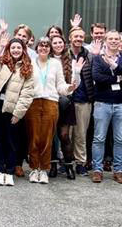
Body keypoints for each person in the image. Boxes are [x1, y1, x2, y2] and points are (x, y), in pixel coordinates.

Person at [25, 37, 82, 184]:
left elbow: (60, 86)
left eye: (46, 46)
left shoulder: (55, 64)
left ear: (50, 49)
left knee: (47, 138)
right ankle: (34, 168)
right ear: (37, 48)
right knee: (34, 137)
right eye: (41, 46)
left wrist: (69, 88)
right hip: (34, 102)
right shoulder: (29, 62)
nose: (43, 48)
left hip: (51, 103)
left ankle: (43, 169)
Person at [0, 31, 35, 186]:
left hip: (13, 109)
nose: (15, 50)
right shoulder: (3, 63)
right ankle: (0, 171)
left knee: (11, 141)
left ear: (23, 50)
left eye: (18, 48)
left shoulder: (27, 68)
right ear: (8, 49)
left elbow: (27, 94)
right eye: (12, 47)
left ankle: (10, 171)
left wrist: (18, 114)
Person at [90, 30, 122, 184]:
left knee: (121, 139)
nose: (114, 41)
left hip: (120, 104)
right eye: (111, 39)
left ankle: (119, 171)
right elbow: (96, 77)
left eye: (116, 39)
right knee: (99, 138)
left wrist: (115, 66)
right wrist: (116, 78)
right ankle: (97, 170)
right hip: (102, 103)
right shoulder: (98, 58)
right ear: (105, 40)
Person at [50, 35, 83, 180]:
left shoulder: (71, 60)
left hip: (65, 102)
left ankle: (69, 165)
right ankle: (52, 166)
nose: (57, 45)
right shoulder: (47, 60)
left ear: (65, 44)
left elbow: (76, 84)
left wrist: (77, 72)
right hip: (50, 100)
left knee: (64, 136)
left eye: (60, 42)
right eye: (54, 43)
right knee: (51, 136)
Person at [68, 26, 94, 177]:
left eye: (81, 36)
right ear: (70, 38)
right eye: (75, 36)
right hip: (67, 99)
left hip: (84, 99)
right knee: (66, 134)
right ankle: (66, 162)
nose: (78, 39)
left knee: (81, 134)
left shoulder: (89, 55)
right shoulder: (65, 54)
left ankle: (80, 163)